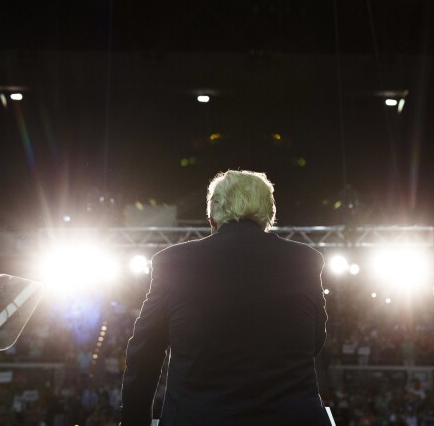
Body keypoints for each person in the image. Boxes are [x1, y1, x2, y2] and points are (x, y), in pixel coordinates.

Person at [119, 169, 331, 426]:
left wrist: (134, 422)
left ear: (212, 217)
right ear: (268, 216)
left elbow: (144, 354)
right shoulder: (305, 260)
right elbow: (316, 341)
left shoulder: (173, 262)